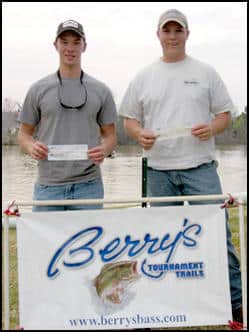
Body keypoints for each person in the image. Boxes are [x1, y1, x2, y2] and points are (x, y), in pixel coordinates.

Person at [119, 9, 243, 323]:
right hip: (158, 171)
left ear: (187, 34)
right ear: (158, 35)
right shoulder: (143, 76)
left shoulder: (205, 72)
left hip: (200, 168)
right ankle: (157, 307)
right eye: (167, 31)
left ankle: (235, 306)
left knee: (218, 237)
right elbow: (130, 119)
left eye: (178, 30)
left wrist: (213, 128)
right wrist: (139, 134)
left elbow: (225, 114)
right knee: (159, 241)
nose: (172, 36)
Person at [18, 19, 117, 211]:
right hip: (48, 187)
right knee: (45, 242)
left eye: (76, 42)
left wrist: (104, 149)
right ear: (56, 45)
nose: (70, 48)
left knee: (89, 242)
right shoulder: (38, 89)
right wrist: (31, 146)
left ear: (84, 46)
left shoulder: (101, 90)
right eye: (64, 42)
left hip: (89, 187)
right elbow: (23, 134)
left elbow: (110, 136)